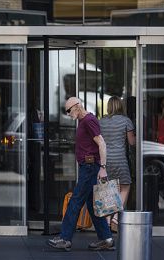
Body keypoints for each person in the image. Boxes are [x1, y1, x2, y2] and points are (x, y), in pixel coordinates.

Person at [47, 97, 114, 252]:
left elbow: (102, 143)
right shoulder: (83, 121)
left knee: (75, 201)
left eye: (69, 110)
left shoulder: (89, 120)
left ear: (77, 107)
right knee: (91, 205)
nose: (68, 114)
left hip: (90, 168)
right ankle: (106, 239)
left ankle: (65, 238)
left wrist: (103, 167)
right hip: (88, 167)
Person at [99, 96, 136, 232]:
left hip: (106, 160)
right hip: (120, 159)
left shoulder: (101, 122)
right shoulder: (126, 121)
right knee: (125, 187)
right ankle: (115, 218)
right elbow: (132, 142)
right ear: (121, 106)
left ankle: (107, 220)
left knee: (109, 189)